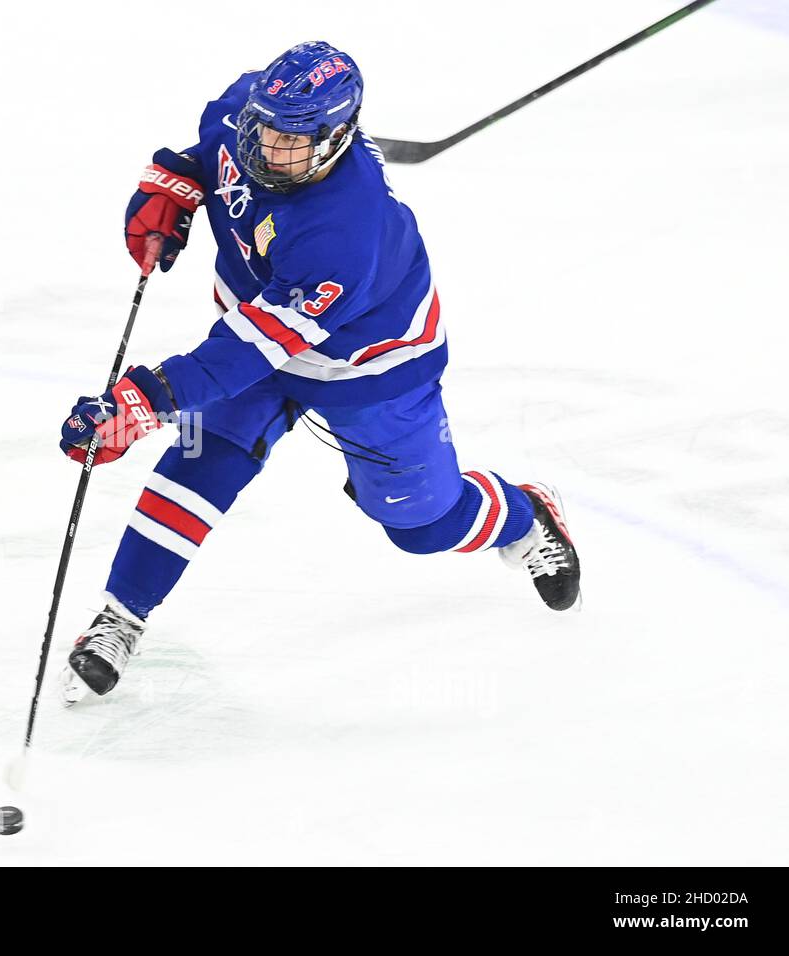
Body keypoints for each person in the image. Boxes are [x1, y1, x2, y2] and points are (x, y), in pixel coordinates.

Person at [57, 41, 581, 705]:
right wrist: (175, 183)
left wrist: (143, 401)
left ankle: (524, 516)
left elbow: (248, 351)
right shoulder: (241, 116)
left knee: (423, 525)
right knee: (203, 458)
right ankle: (120, 617)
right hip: (259, 325)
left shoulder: (344, 229)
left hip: (369, 363)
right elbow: (203, 163)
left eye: (291, 143)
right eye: (263, 131)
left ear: (336, 140)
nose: (267, 150)